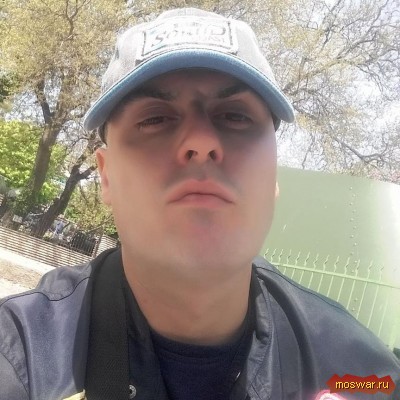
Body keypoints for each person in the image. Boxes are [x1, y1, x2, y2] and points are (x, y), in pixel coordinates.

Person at [0, 8, 399, 400]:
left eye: (235, 116)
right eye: (155, 118)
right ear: (106, 176)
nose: (202, 141)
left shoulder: (365, 377)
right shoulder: (17, 356)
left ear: (273, 176)